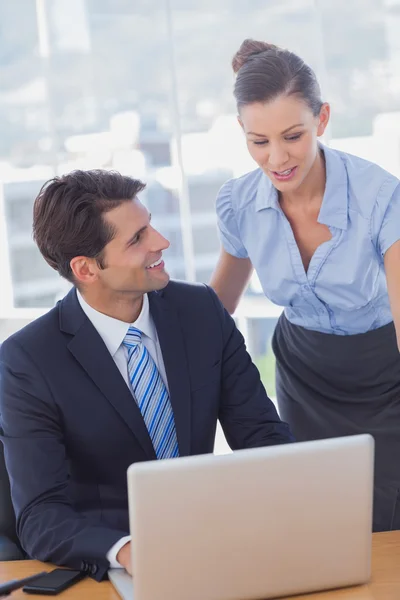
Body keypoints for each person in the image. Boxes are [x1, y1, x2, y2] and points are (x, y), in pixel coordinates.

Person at [0, 170, 293, 581]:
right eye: (137, 239)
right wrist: (129, 551)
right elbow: (39, 516)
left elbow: (262, 434)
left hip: (214, 543)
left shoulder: (201, 311)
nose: (161, 242)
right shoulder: (27, 360)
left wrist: (297, 499)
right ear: (86, 269)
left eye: (150, 225)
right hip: (114, 568)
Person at [210, 38, 400, 533]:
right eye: (259, 142)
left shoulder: (381, 196)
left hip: (384, 373)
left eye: (292, 136)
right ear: (242, 132)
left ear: (322, 119)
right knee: (317, 518)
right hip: (304, 373)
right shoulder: (239, 202)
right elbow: (217, 308)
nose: (277, 158)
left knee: (384, 520)